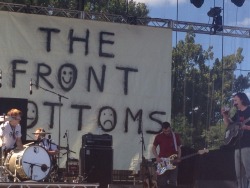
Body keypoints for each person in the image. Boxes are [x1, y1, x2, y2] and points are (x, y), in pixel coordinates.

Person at [221, 92, 250, 188]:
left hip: (247, 145)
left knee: (249, 173)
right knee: (239, 176)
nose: (234, 102)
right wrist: (225, 116)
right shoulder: (237, 113)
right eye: (234, 100)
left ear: (241, 99)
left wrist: (246, 127)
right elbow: (229, 125)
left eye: (236, 99)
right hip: (237, 145)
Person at [152, 121, 182, 188]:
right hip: (162, 161)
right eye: (165, 131)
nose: (167, 133)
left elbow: (179, 147)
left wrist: (179, 157)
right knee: (162, 182)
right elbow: (153, 148)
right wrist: (157, 157)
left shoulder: (176, 136)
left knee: (173, 181)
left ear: (170, 128)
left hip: (173, 161)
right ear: (162, 130)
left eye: (168, 131)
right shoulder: (158, 137)